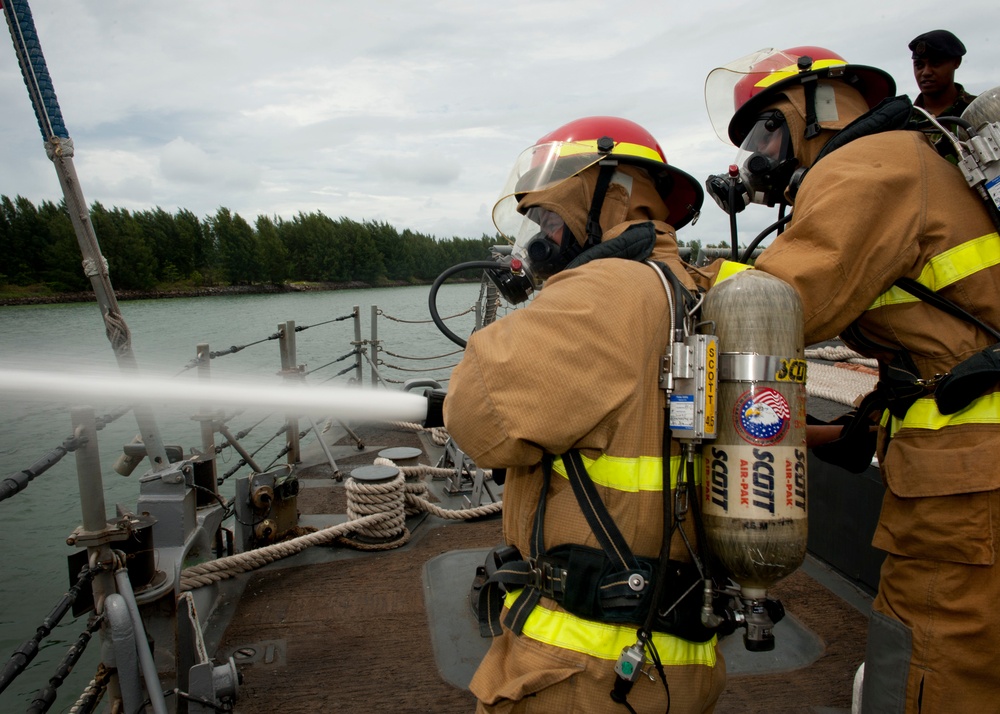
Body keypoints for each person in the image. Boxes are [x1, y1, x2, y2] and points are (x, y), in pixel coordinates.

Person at [703, 47, 1000, 713]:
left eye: (768, 129)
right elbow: (940, 348)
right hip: (966, 468)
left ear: (823, 106)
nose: (759, 154)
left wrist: (667, 281)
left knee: (936, 657)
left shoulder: (869, 166)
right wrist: (846, 428)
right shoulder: (914, 158)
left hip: (969, 484)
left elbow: (780, 303)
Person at [443, 116, 726, 712]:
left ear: (615, 194)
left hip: (584, 667)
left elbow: (477, 417)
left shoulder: (605, 293)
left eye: (551, 215)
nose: (542, 233)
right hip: (677, 652)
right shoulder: (687, 284)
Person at [908, 29, 977, 120]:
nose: (926, 72)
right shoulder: (903, 119)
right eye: (919, 65)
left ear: (956, 62)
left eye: (935, 63)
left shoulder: (980, 110)